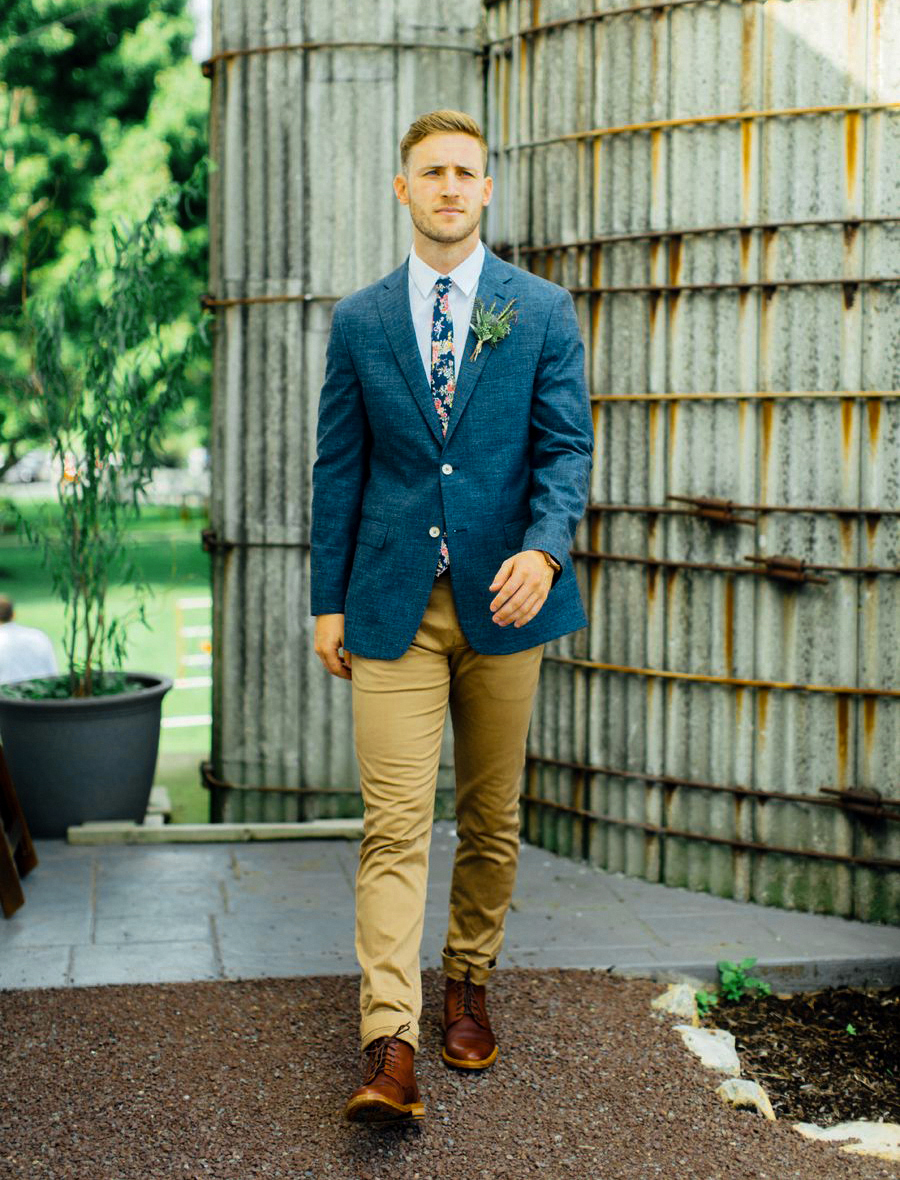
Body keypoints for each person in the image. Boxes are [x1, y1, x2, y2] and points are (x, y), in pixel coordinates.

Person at [310, 109, 593, 1125]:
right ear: (403, 189)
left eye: (465, 172)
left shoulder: (540, 312)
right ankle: (390, 1041)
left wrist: (545, 545)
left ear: (486, 189)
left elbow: (565, 452)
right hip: (391, 604)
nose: (448, 186)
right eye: (430, 171)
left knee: (491, 815)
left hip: (506, 601)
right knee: (394, 827)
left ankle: (468, 975)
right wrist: (325, 599)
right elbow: (339, 466)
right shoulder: (360, 321)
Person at [0, 596, 58, 684]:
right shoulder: (39, 636)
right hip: (43, 693)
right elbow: (53, 673)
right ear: (14, 614)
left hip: (7, 696)